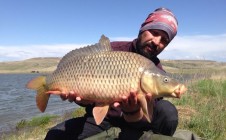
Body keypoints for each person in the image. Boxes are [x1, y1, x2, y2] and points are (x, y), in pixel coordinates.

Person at [45, 7, 179, 140]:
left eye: (164, 40)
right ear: (143, 28)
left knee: (168, 112)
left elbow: (146, 117)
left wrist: (131, 111)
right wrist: (83, 100)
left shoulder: (157, 71)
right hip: (103, 120)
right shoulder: (113, 50)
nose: (156, 42)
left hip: (136, 124)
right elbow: (86, 97)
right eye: (154, 32)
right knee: (54, 136)